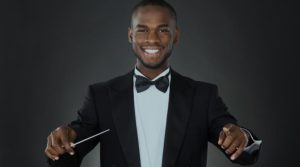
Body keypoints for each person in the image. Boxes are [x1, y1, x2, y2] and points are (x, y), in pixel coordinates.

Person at [44, 0, 262, 166]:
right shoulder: (100, 95)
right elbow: (68, 156)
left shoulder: (203, 96)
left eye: (163, 29)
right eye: (142, 29)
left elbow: (245, 154)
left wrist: (242, 137)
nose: (152, 39)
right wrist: (60, 144)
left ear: (176, 35)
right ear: (130, 35)